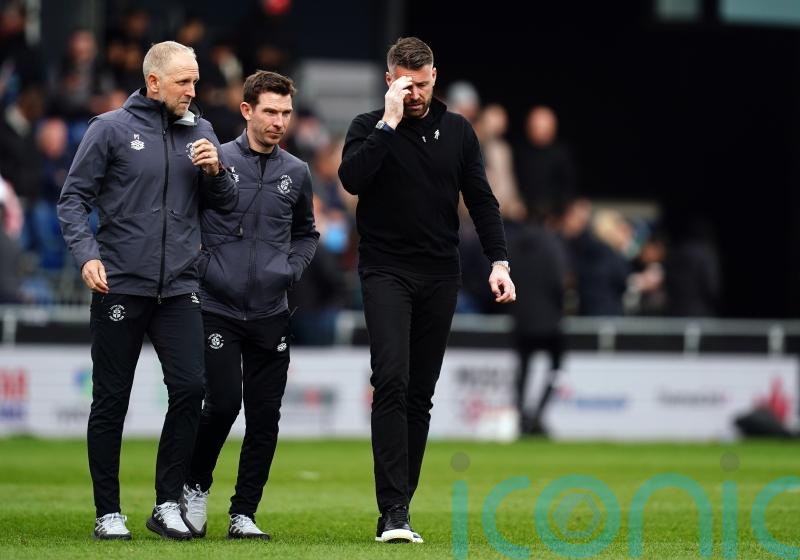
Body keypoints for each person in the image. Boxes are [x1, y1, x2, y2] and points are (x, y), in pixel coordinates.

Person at [57, 40, 237, 541]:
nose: (193, 91)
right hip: (121, 284)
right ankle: (107, 512)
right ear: (153, 81)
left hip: (180, 287)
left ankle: (165, 503)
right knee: (111, 399)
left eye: (196, 81)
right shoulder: (110, 129)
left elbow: (223, 203)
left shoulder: (201, 131)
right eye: (184, 81)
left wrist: (217, 171)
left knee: (191, 389)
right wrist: (87, 255)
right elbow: (72, 200)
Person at [338, 37, 516, 544]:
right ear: (389, 78)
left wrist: (499, 262)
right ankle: (393, 510)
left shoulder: (458, 130)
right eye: (403, 83)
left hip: (441, 273)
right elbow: (352, 179)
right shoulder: (368, 127)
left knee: (420, 395)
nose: (413, 92)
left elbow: (482, 200)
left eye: (421, 83)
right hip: (385, 270)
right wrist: (389, 124)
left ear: (435, 76)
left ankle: (399, 508)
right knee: (390, 380)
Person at [180, 71, 318, 540]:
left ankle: (244, 512)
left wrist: (290, 270)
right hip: (216, 305)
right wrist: (203, 265)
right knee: (220, 406)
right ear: (247, 111)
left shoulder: (297, 172)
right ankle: (195, 488)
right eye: (270, 112)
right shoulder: (215, 159)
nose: (279, 121)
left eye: (285, 112)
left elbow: (307, 233)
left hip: (271, 311)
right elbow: (186, 218)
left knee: (265, 416)